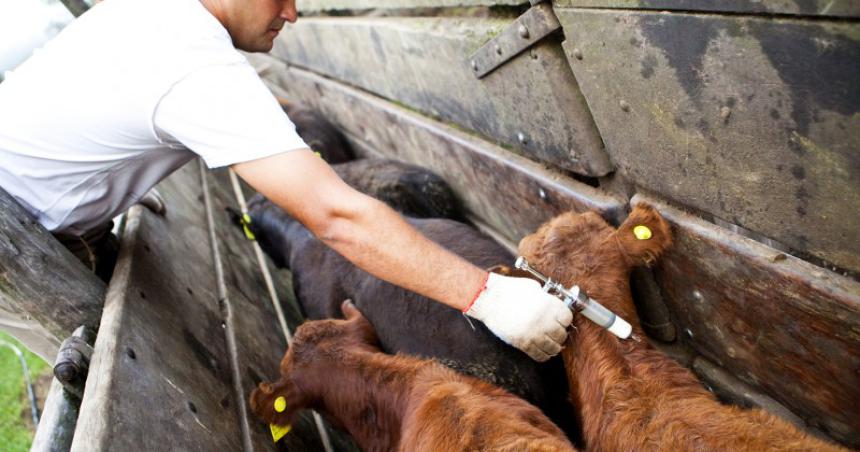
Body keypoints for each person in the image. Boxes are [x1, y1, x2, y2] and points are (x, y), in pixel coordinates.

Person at [0, 0, 573, 362]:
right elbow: (336, 216)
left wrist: (112, 184)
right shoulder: (192, 64)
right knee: (83, 354)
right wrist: (490, 298)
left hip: (37, 202)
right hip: (21, 247)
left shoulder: (152, 14)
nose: (294, 13)